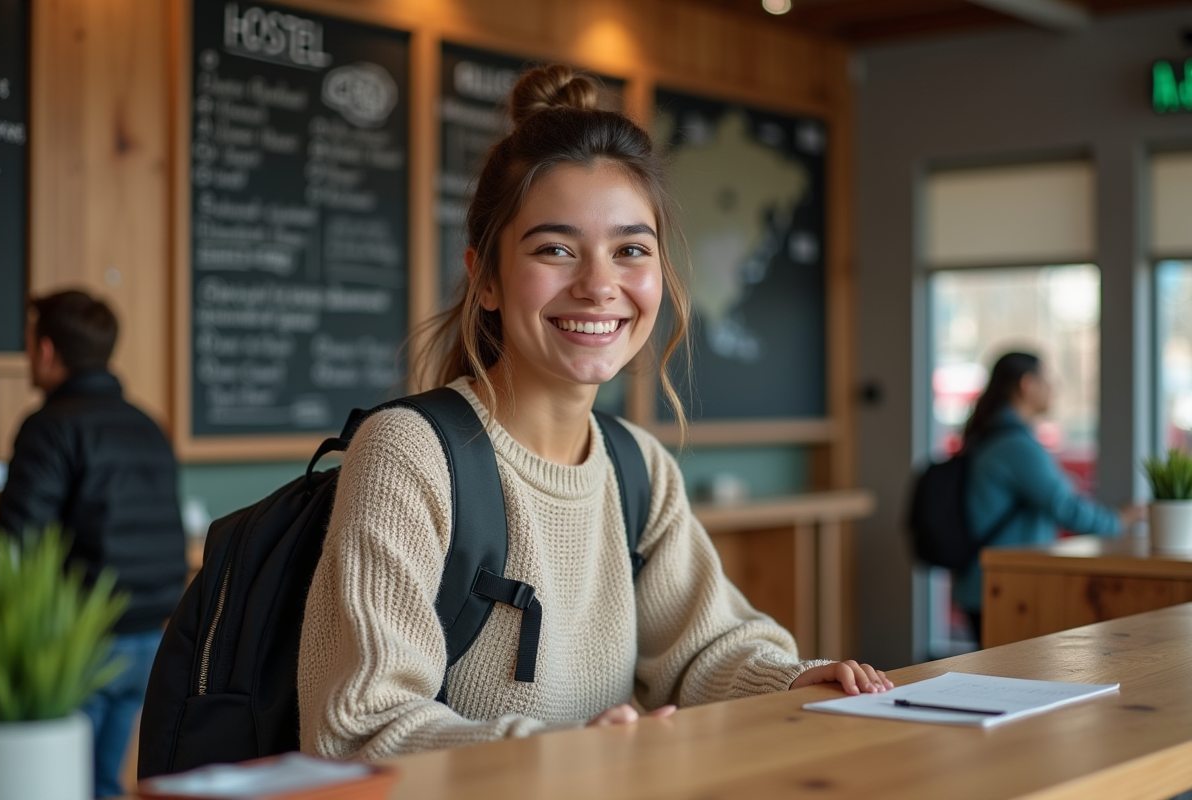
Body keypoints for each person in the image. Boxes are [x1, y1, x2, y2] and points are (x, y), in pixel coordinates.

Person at [297, 64, 891, 761]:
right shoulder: (408, 451)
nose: (599, 285)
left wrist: (792, 680)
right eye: (555, 249)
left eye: (630, 250)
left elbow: (702, 652)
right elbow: (358, 726)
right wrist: (561, 752)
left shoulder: (639, 466)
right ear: (485, 278)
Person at [0, 290, 187, 798]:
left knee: (63, 784)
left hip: (84, 643)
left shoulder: (51, 427)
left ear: (46, 351)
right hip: (152, 638)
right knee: (105, 783)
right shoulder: (149, 425)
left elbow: (19, 545)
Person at [953, 351, 1144, 642]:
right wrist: (1122, 519)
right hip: (1002, 587)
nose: (1054, 388)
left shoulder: (993, 434)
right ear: (1027, 385)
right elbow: (1066, 507)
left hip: (987, 583)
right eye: (1048, 380)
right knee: (1011, 680)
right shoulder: (1015, 445)